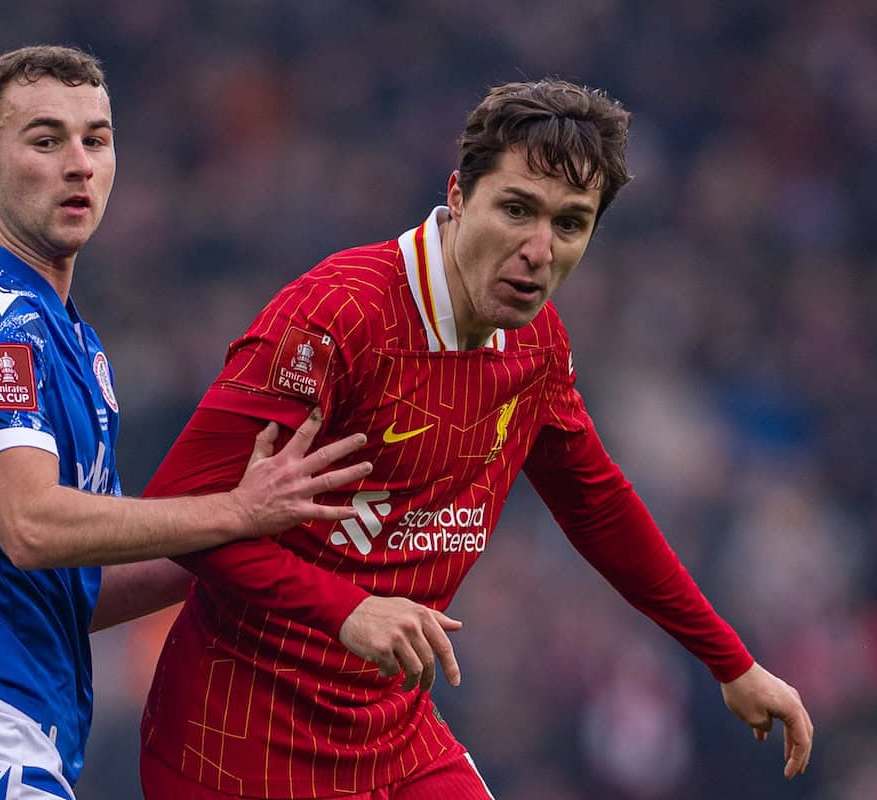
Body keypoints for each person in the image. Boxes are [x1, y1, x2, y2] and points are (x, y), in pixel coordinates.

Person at [133, 79, 814, 798]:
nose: (538, 249)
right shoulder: (337, 315)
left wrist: (731, 663)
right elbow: (182, 511)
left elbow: (598, 505)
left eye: (571, 223)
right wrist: (347, 609)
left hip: (391, 733)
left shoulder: (536, 343)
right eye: (517, 210)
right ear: (458, 196)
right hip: (237, 740)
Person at [0, 45, 372, 800]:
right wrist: (234, 509)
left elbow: (80, 587)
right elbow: (34, 527)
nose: (78, 163)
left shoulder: (73, 341)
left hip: (10, 730)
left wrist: (256, 535)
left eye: (96, 139)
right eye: (44, 139)